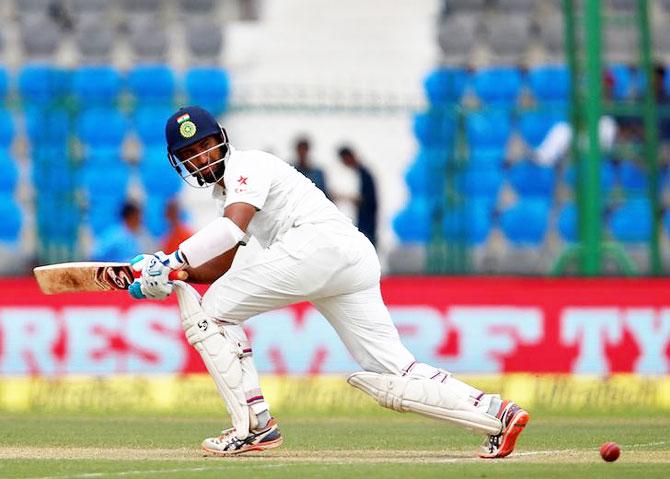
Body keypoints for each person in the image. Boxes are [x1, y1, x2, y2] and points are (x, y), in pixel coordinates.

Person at [127, 106, 529, 458]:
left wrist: (168, 260)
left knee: (212, 313)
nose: (200, 158)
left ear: (222, 141)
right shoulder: (228, 194)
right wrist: (178, 274)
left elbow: (231, 231)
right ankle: (497, 413)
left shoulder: (247, 167)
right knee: (393, 366)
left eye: (205, 146)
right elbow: (226, 262)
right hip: (348, 256)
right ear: (177, 162)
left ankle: (254, 425)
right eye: (189, 154)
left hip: (316, 246)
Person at [337, 146, 378, 246]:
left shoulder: (364, 174)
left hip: (366, 223)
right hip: (363, 221)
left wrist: (344, 197)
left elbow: (366, 199)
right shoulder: (360, 173)